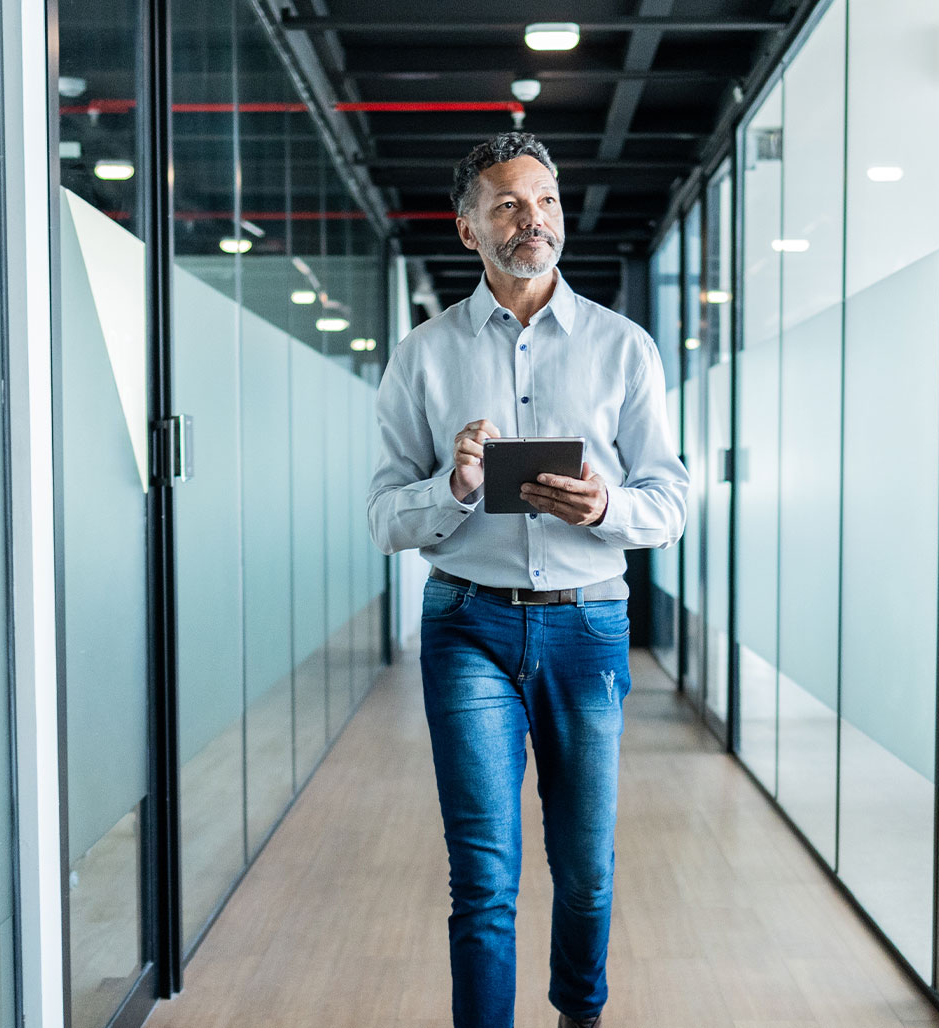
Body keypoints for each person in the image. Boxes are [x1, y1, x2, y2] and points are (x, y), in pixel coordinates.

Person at [366, 132, 689, 1028]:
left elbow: (670, 501)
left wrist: (602, 509)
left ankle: (579, 1015)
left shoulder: (624, 349)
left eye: (544, 200)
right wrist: (455, 485)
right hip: (467, 626)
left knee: (585, 870)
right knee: (483, 875)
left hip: (587, 628)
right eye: (506, 203)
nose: (531, 219)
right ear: (467, 227)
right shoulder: (423, 356)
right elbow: (384, 517)